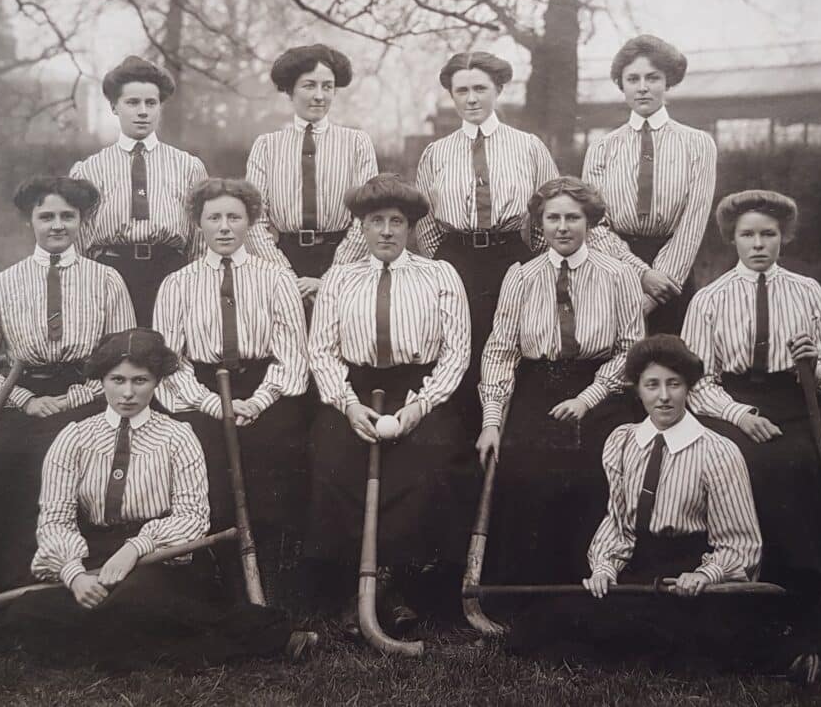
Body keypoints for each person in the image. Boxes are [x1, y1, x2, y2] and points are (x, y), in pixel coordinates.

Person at [0, 329, 318, 669]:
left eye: (141, 380)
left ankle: (263, 634)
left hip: (164, 556)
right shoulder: (74, 438)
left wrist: (137, 546)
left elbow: (192, 517)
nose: (128, 393)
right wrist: (75, 576)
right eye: (117, 379)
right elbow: (55, 519)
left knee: (135, 600)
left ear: (157, 382)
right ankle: (173, 647)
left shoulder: (178, 437)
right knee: (27, 613)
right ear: (101, 380)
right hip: (94, 552)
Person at [507, 337, 820, 685]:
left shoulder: (718, 451)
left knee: (705, 629)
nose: (664, 396)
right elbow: (619, 523)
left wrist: (705, 576)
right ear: (637, 390)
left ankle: (776, 657)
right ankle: (654, 647)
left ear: (688, 388)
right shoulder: (622, 442)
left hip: (691, 571)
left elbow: (740, 543)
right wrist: (605, 568)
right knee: (541, 626)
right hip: (640, 571)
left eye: (674, 384)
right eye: (652, 385)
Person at [306, 173, 471, 634]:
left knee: (429, 463)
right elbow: (320, 350)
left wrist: (422, 405)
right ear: (360, 225)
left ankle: (401, 587)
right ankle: (352, 590)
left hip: (419, 390)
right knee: (333, 457)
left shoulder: (439, 274)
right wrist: (347, 405)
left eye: (396, 221)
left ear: (411, 226)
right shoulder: (339, 277)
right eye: (375, 220)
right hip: (353, 391)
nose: (385, 231)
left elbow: (457, 350)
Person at [0, 176, 136, 600]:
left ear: (81, 220)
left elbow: (124, 356)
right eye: (47, 216)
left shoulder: (107, 280)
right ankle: (0, 581)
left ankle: (84, 571)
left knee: (75, 461)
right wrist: (26, 401)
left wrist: (77, 396)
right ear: (30, 221)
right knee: (1, 463)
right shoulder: (0, 285)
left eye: (67, 217)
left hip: (92, 393)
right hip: (22, 397)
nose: (57, 226)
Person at [475, 177, 643, 581]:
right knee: (528, 473)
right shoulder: (521, 277)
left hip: (604, 389)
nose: (562, 227)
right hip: (539, 387)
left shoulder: (618, 275)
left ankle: (594, 583)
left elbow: (632, 349)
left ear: (590, 222)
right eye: (553, 218)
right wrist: (492, 422)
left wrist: (590, 397)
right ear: (540, 223)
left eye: (573, 217)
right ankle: (532, 592)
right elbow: (500, 351)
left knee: (596, 473)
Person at [681, 189, 821, 601]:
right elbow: (696, 382)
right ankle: (742, 579)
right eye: (747, 235)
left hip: (793, 401)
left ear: (783, 236)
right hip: (730, 403)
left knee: (799, 465)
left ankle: (803, 585)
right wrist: (741, 415)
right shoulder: (709, 299)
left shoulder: (806, 291)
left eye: (768, 234)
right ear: (731, 238)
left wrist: (815, 364)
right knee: (745, 467)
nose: (758, 245)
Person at [153, 178, 309, 582]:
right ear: (198, 223)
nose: (224, 227)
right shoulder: (176, 284)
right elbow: (169, 364)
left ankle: (273, 568)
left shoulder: (275, 279)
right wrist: (211, 404)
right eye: (214, 217)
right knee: (204, 462)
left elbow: (292, 355)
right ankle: (214, 569)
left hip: (265, 390)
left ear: (250, 223)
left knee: (273, 455)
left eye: (234, 217)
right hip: (200, 391)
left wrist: (257, 402)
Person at [415, 51, 559, 423]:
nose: (471, 98)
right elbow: (426, 221)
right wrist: (442, 267)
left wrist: (537, 262)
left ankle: (508, 442)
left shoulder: (528, 146)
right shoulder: (436, 153)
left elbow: (550, 209)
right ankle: (463, 449)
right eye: (461, 90)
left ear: (499, 90)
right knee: (462, 350)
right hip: (456, 261)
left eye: (480, 88)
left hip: (512, 256)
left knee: (515, 347)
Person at [583, 35, 716, 335]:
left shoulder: (698, 144)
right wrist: (640, 275)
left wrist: (654, 293)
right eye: (632, 78)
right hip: (615, 269)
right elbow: (594, 225)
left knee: (669, 368)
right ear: (622, 85)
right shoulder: (601, 148)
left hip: (674, 276)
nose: (642, 87)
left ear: (667, 82)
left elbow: (692, 222)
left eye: (652, 78)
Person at [70, 55, 209, 325]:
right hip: (110, 274)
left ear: (160, 107)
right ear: (114, 107)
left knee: (167, 355)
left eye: (151, 103)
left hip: (170, 274)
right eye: (132, 103)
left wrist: (194, 287)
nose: (142, 111)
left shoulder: (188, 166)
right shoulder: (88, 170)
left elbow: (199, 240)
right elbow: (79, 241)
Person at [244, 44, 377, 305]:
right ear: (290, 90)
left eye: (327, 87)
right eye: (309, 86)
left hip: (343, 260)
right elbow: (253, 219)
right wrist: (284, 277)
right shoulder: (266, 146)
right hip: (282, 262)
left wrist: (331, 277)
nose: (319, 95)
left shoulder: (357, 143)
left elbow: (367, 214)